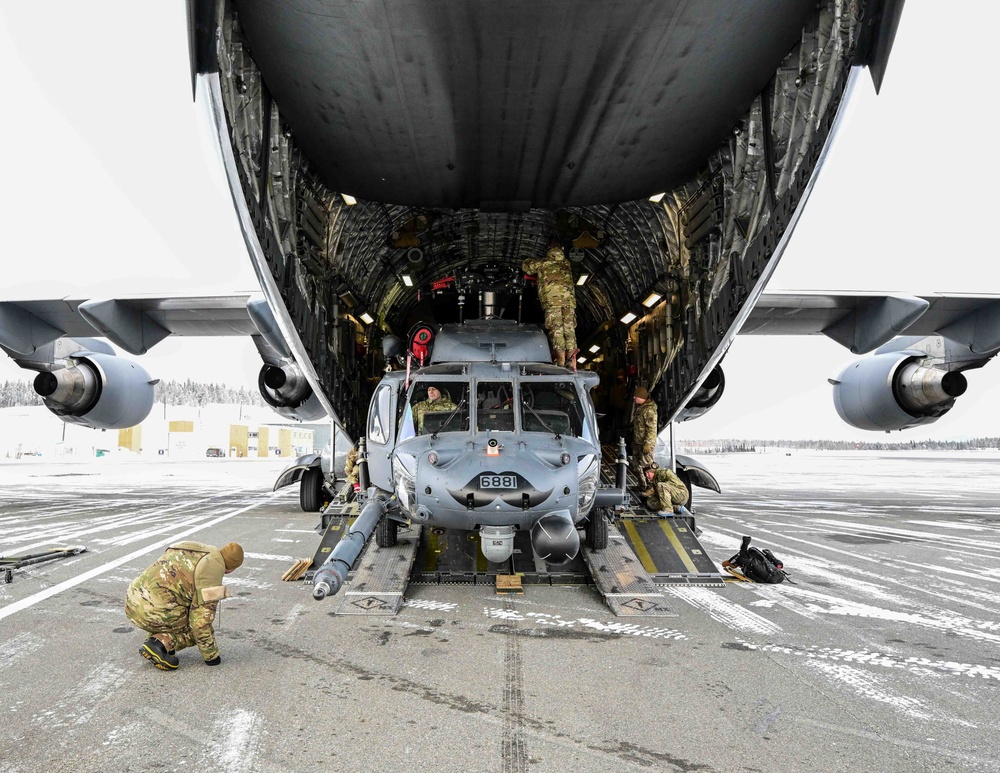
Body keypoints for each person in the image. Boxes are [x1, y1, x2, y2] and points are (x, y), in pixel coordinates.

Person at [125, 540, 244, 671]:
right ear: (231, 568)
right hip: (153, 612)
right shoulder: (212, 568)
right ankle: (160, 643)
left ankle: (158, 640)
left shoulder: (194, 548)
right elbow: (200, 623)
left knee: (177, 603)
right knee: (194, 629)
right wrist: (212, 657)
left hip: (133, 601)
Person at [522, 240, 577, 368]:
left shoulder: (543, 262)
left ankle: (561, 361)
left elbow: (527, 267)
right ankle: (572, 360)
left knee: (557, 329)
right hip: (569, 302)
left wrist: (527, 259)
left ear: (549, 250)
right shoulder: (566, 263)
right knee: (569, 330)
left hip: (553, 302)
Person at [631, 385, 657, 471]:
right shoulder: (640, 408)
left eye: (636, 396)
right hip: (638, 442)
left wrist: (648, 443)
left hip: (645, 444)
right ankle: (641, 484)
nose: (634, 398)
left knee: (647, 467)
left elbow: (651, 428)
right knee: (637, 466)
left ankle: (649, 484)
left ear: (642, 397)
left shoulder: (649, 410)